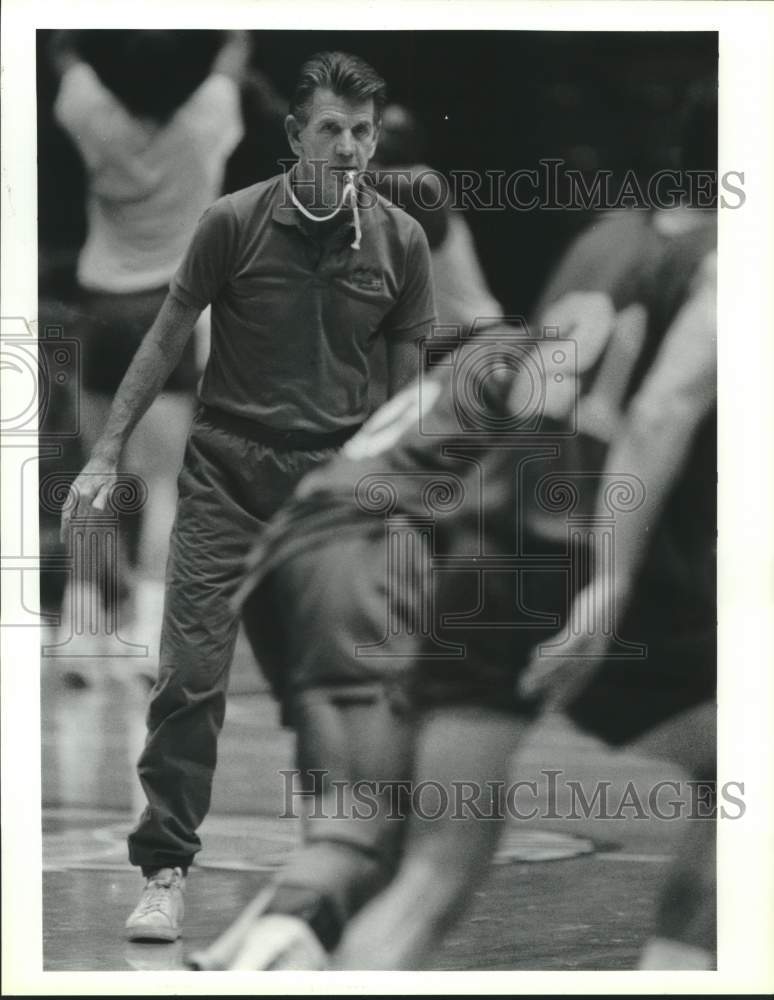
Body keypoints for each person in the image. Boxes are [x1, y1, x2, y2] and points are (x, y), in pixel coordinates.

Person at [60, 49, 437, 943]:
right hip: (227, 475)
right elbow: (160, 344)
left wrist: (398, 506)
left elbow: (405, 400)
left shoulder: (402, 241)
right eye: (330, 130)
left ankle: (324, 869)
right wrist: (105, 453)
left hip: (329, 493)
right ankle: (164, 870)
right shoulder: (232, 224)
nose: (348, 147)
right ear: (293, 136)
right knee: (189, 683)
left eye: (362, 132)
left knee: (334, 695)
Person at [48, 30, 248, 664]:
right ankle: (146, 635)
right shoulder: (204, 123)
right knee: (163, 486)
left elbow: (64, 47)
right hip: (170, 312)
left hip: (101, 308)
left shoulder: (93, 116)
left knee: (95, 475)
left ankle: (79, 630)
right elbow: (235, 46)